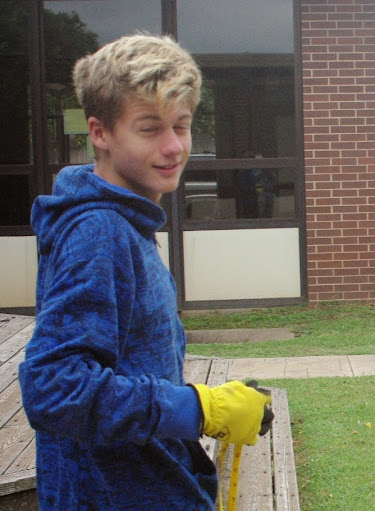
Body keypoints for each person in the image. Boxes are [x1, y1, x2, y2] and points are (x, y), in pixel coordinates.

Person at [19, 33, 272, 511]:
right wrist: (199, 408)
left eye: (182, 125)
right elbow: (54, 388)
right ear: (100, 133)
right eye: (150, 128)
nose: (174, 147)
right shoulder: (99, 231)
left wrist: (209, 404)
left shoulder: (125, 222)